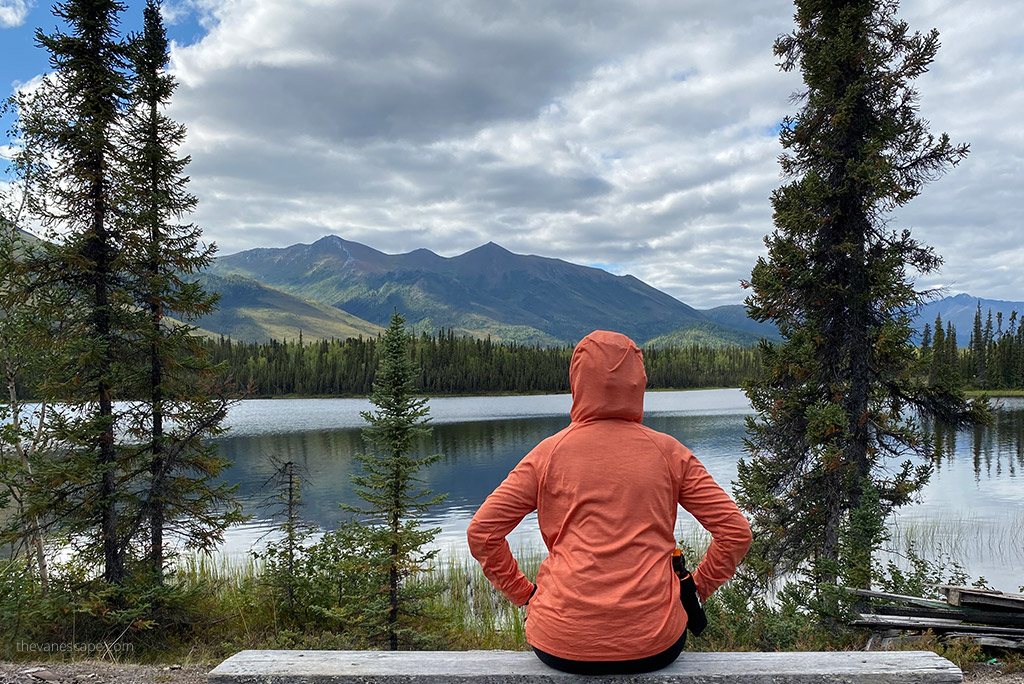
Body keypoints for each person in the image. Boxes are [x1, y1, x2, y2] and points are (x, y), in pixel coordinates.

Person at [467, 330, 752, 675]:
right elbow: (736, 532)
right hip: (655, 645)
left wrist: (525, 595)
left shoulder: (547, 455)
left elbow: (482, 533)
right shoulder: (670, 453)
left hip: (559, 643)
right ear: (638, 383)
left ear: (577, 382)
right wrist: (691, 592)